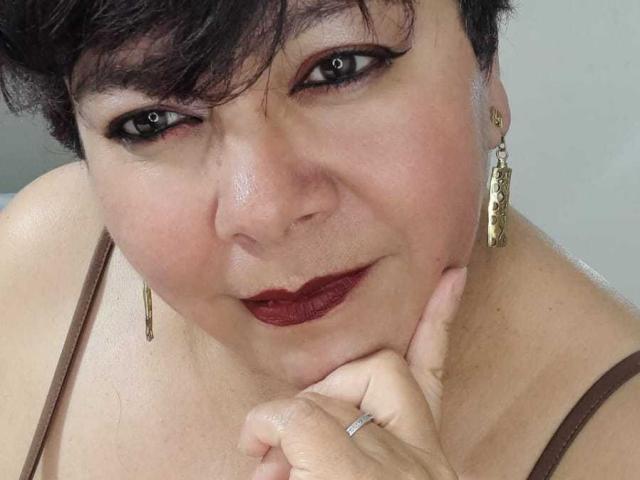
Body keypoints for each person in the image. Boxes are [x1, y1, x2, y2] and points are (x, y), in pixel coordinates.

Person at [1, 0, 639, 478]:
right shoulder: (40, 257)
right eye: (153, 121)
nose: (263, 211)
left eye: (337, 68)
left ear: (487, 65)